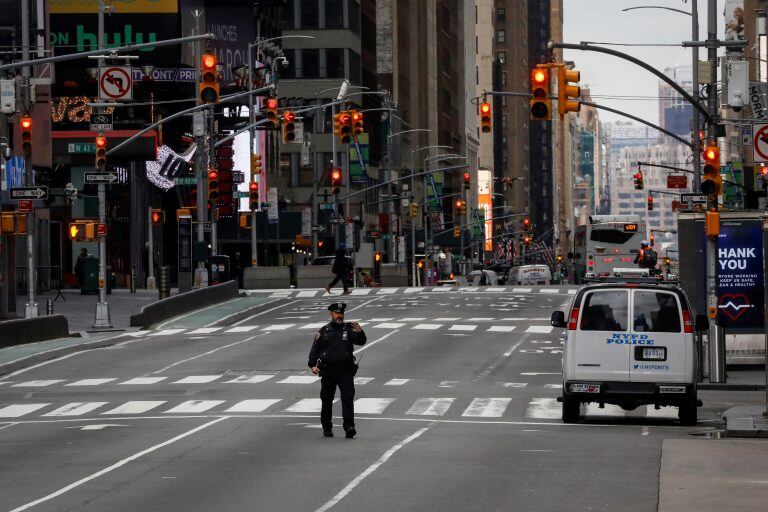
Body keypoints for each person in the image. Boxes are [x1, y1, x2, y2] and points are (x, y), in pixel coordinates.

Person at [308, 302, 367, 438]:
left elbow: (361, 341)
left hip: (345, 371)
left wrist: (360, 332)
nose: (340, 316)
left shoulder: (349, 329)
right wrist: (313, 365)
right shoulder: (324, 331)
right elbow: (315, 350)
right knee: (327, 400)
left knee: (347, 398)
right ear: (331, 314)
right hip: (328, 371)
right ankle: (327, 427)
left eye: (341, 313)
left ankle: (349, 427)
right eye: (337, 313)